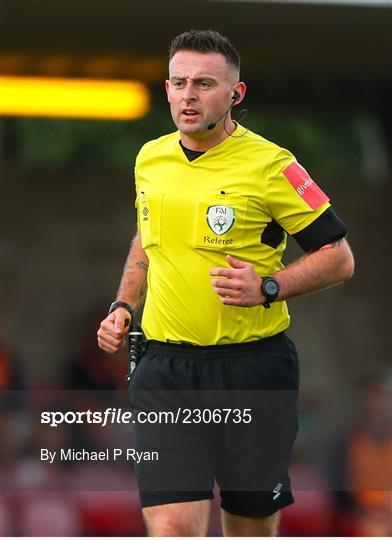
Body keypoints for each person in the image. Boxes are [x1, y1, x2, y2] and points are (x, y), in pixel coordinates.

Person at [97, 30, 354, 537]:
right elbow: (147, 238)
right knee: (172, 528)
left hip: (252, 369)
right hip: (165, 370)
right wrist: (124, 305)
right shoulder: (150, 158)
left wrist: (269, 287)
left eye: (204, 84)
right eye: (178, 82)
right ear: (167, 89)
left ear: (235, 94)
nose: (188, 95)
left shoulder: (273, 165)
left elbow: (339, 257)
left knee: (249, 528)